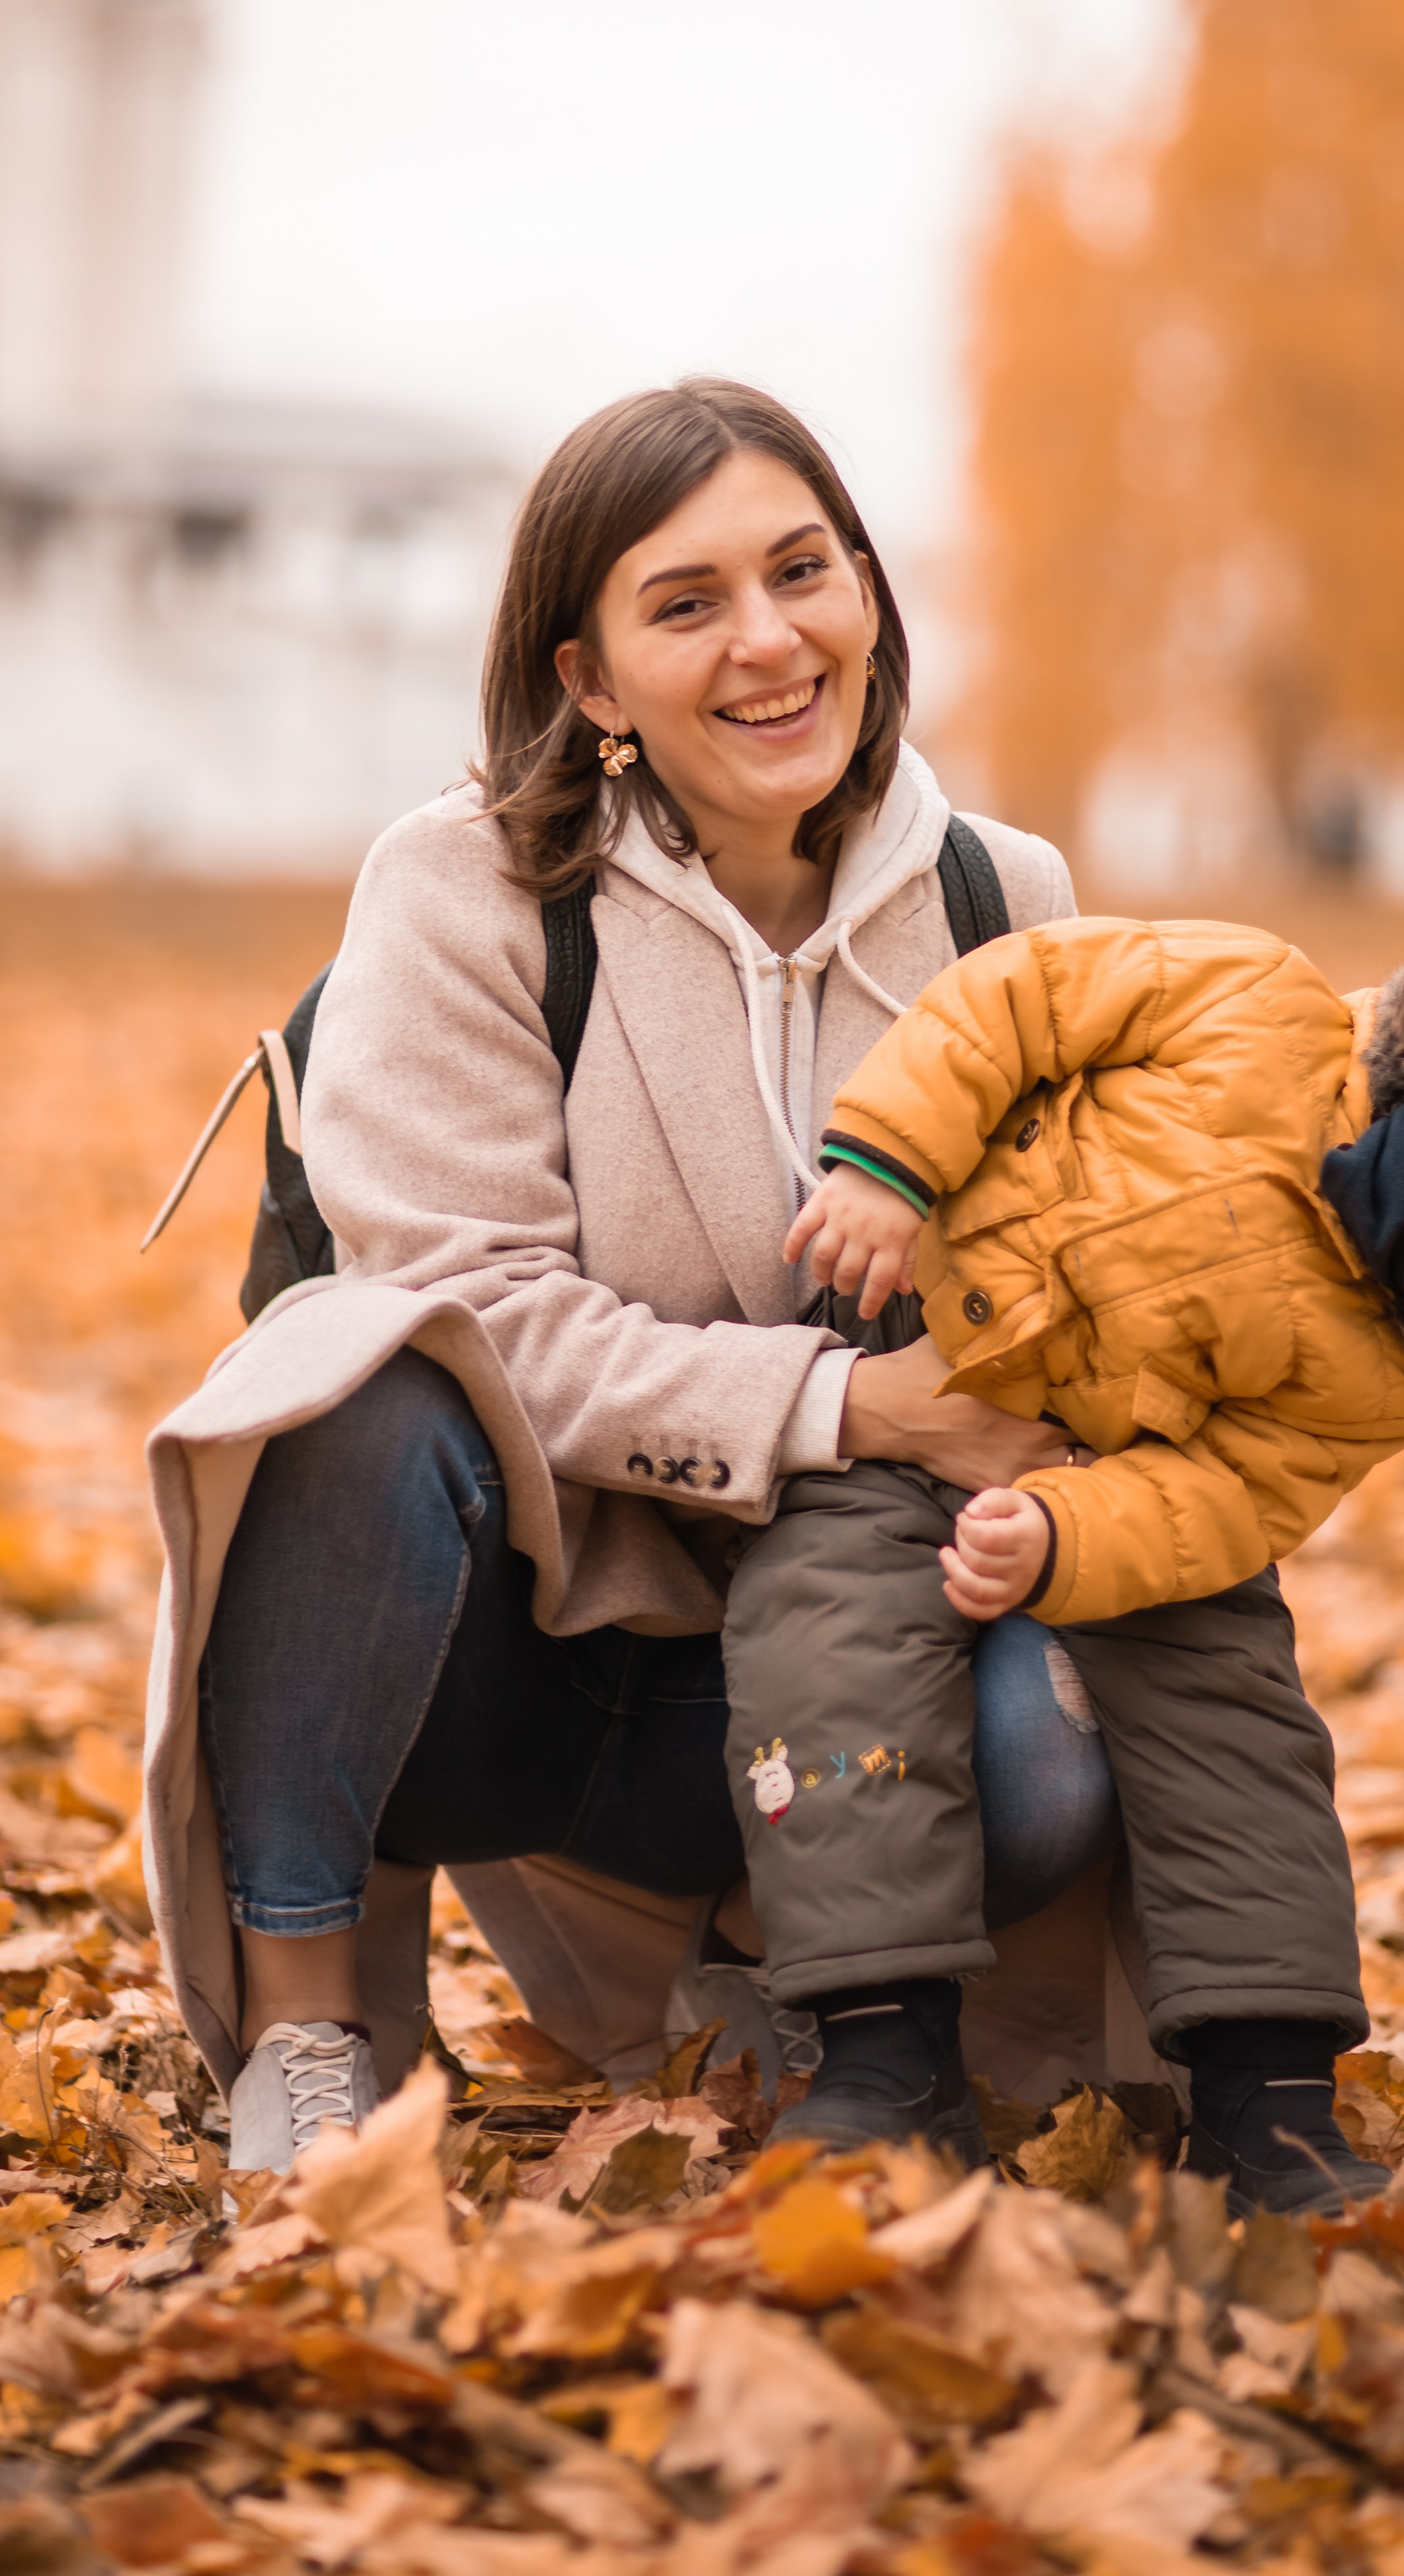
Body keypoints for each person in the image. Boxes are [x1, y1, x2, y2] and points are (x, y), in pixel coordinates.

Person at [144, 376, 1124, 2180]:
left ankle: (780, 1956)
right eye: (685, 604)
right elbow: (480, 1306)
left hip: (847, 1658)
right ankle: (306, 2030)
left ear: (867, 593)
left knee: (1053, 1758)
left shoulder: (1005, 904)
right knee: (345, 1383)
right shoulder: (470, 889)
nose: (768, 641)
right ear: (587, 677)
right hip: (503, 1649)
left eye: (802, 570)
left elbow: (1098, 1266)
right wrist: (849, 1402)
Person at [718, 922, 1404, 2201]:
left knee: (1238, 1707)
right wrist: (893, 1161)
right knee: (824, 1638)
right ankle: (884, 2063)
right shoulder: (1257, 998)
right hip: (903, 1377)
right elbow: (1018, 999)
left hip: (1100, 1485)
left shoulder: (1380, 1382)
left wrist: (1068, 1538)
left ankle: (1273, 2103)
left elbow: (1224, 1504)